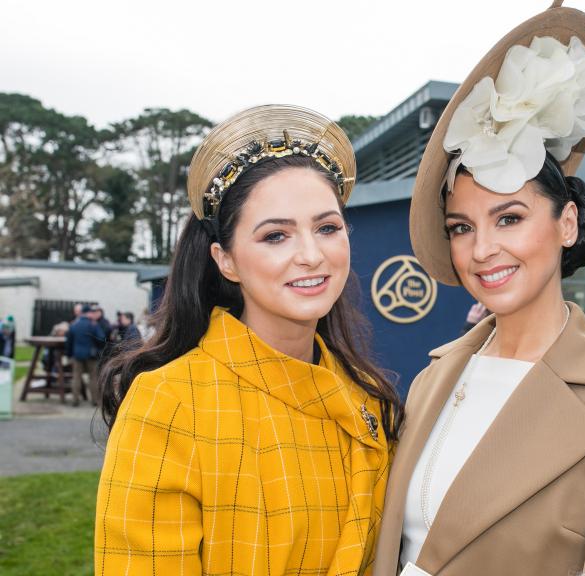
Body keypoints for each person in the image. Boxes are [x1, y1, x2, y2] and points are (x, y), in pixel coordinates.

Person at [373, 3, 585, 575]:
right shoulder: (434, 378)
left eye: (509, 218)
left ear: (567, 223)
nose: (483, 249)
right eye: (461, 227)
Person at [95, 105, 402, 576]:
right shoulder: (168, 404)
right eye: (276, 236)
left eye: (327, 228)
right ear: (226, 260)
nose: (311, 255)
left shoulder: (368, 396)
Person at [65, 304, 106, 406]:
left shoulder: (74, 325)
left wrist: (69, 355)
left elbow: (69, 342)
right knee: (93, 377)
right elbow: (102, 338)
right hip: (91, 355)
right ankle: (95, 400)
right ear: (89, 313)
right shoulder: (93, 325)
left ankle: (75, 400)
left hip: (77, 355)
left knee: (76, 377)